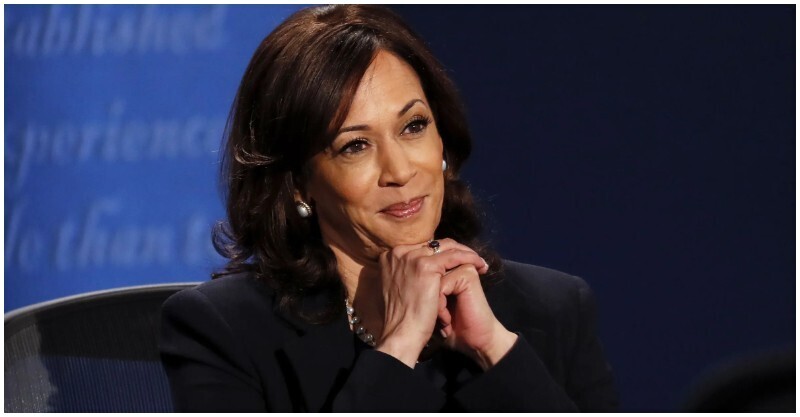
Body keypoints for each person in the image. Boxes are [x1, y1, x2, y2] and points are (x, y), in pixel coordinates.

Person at [159, 4, 618, 412]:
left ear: (442, 139)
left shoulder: (553, 309)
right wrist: (398, 347)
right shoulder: (224, 331)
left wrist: (494, 349)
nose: (399, 171)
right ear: (298, 183)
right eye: (355, 145)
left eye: (413, 126)